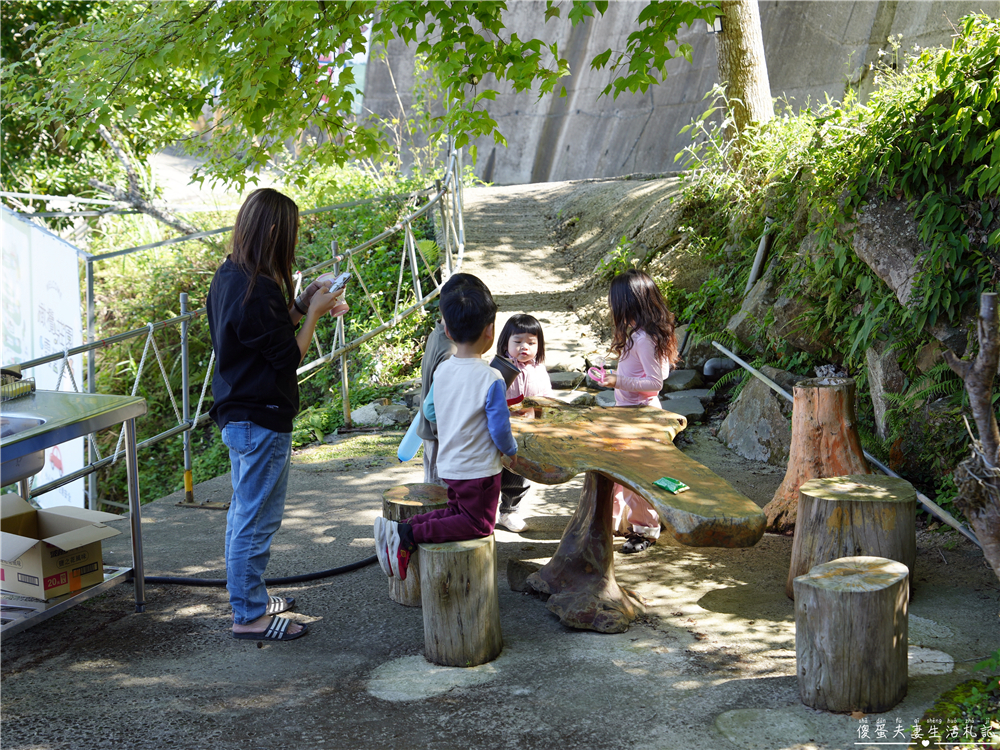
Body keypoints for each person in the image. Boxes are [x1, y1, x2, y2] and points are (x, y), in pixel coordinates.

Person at [207, 188, 349, 641]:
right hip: (261, 418)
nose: (293, 242)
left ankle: (248, 597)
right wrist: (314, 318)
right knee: (256, 519)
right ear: (273, 232)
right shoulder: (256, 289)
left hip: (240, 414)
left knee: (244, 515)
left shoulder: (233, 276)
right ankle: (248, 616)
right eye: (290, 233)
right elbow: (288, 356)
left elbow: (267, 335)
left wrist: (304, 302)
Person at [373, 273, 518, 579]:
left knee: (456, 512)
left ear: (448, 330)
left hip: (450, 465)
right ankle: (408, 538)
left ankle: (403, 527)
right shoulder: (490, 378)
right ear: (490, 331)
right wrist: (511, 452)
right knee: (479, 525)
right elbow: (500, 429)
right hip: (479, 470)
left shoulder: (444, 371)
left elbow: (432, 410)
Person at [594, 269, 679, 554]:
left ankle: (645, 529)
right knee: (616, 472)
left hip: (640, 415)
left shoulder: (644, 338)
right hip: (627, 412)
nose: (612, 307)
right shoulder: (643, 334)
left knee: (633, 476)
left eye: (614, 301)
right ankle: (616, 522)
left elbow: (655, 382)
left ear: (628, 303)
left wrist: (618, 380)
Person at [494, 313, 554, 532]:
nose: (524, 347)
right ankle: (486, 511)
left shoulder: (539, 369)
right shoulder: (499, 369)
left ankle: (509, 512)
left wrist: (539, 413)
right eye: (517, 342)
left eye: (531, 342)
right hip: (501, 430)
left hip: (527, 433)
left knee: (518, 474)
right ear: (505, 343)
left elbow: (547, 399)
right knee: (493, 472)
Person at [415, 318, 457, 486]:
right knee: (439, 495)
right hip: (439, 436)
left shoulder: (436, 334)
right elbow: (432, 409)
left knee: (434, 488)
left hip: (431, 433)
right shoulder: (450, 352)